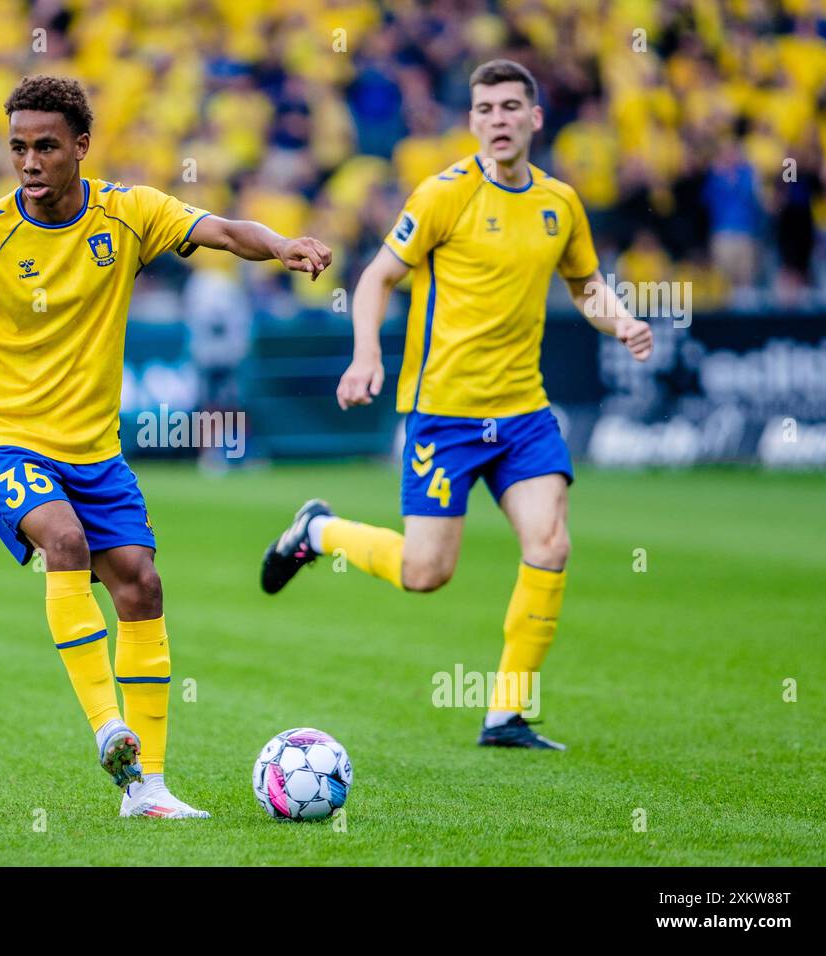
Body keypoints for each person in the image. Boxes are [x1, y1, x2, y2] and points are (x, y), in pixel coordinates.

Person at [0, 75, 331, 817]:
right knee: (62, 540)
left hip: (93, 449)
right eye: (17, 148)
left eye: (45, 147)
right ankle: (109, 731)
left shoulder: (128, 214)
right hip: (1, 436)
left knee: (142, 585)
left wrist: (283, 245)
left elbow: (223, 231)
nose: (29, 162)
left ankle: (149, 791)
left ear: (81, 148)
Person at [260, 60, 652, 750]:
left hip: (524, 413)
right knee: (425, 573)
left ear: (534, 118)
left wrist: (620, 321)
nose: (497, 120)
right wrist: (366, 354)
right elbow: (378, 276)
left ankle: (506, 712)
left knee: (551, 543)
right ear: (471, 122)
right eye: (484, 109)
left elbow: (586, 284)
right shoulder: (445, 195)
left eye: (510, 107)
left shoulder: (560, 202)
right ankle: (317, 532)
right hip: (445, 415)